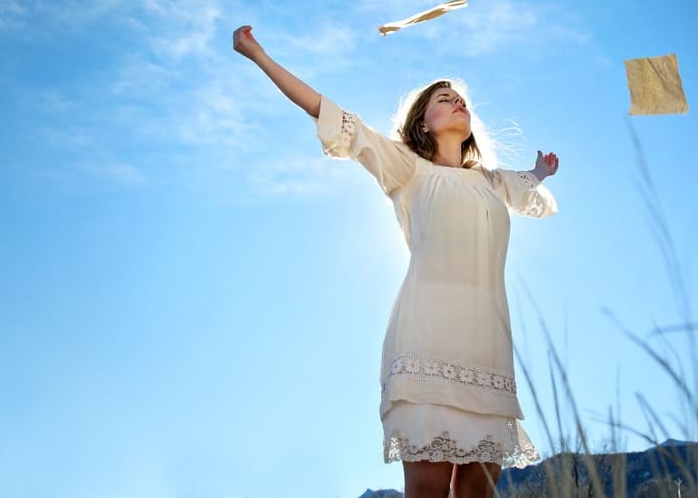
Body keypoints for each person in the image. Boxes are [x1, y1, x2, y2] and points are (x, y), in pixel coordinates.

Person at [233, 25, 559, 498]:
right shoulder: (409, 168)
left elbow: (529, 190)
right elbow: (325, 110)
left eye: (460, 98)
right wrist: (259, 55)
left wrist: (541, 172)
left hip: (488, 350)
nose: (457, 102)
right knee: (426, 491)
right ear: (423, 123)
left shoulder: (493, 181)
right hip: (426, 342)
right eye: (443, 98)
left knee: (478, 493)